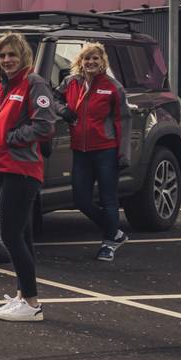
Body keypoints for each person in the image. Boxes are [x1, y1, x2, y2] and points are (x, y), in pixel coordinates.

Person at [0, 32, 57, 322]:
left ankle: (32, 304)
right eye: (2, 56)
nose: (7, 60)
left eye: (12, 54)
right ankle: (23, 296)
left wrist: (12, 138)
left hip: (21, 169)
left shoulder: (33, 84)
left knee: (10, 235)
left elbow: (45, 125)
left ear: (23, 55)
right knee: (22, 234)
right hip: (3, 167)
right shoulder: (6, 86)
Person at [56, 42, 131, 261]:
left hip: (106, 150)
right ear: (80, 61)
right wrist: (62, 110)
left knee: (108, 198)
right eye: (87, 58)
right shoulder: (70, 83)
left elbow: (123, 120)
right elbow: (51, 99)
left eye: (95, 58)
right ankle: (115, 232)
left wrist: (123, 153)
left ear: (102, 62)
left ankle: (108, 243)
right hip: (80, 150)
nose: (91, 62)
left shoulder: (112, 87)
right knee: (81, 200)